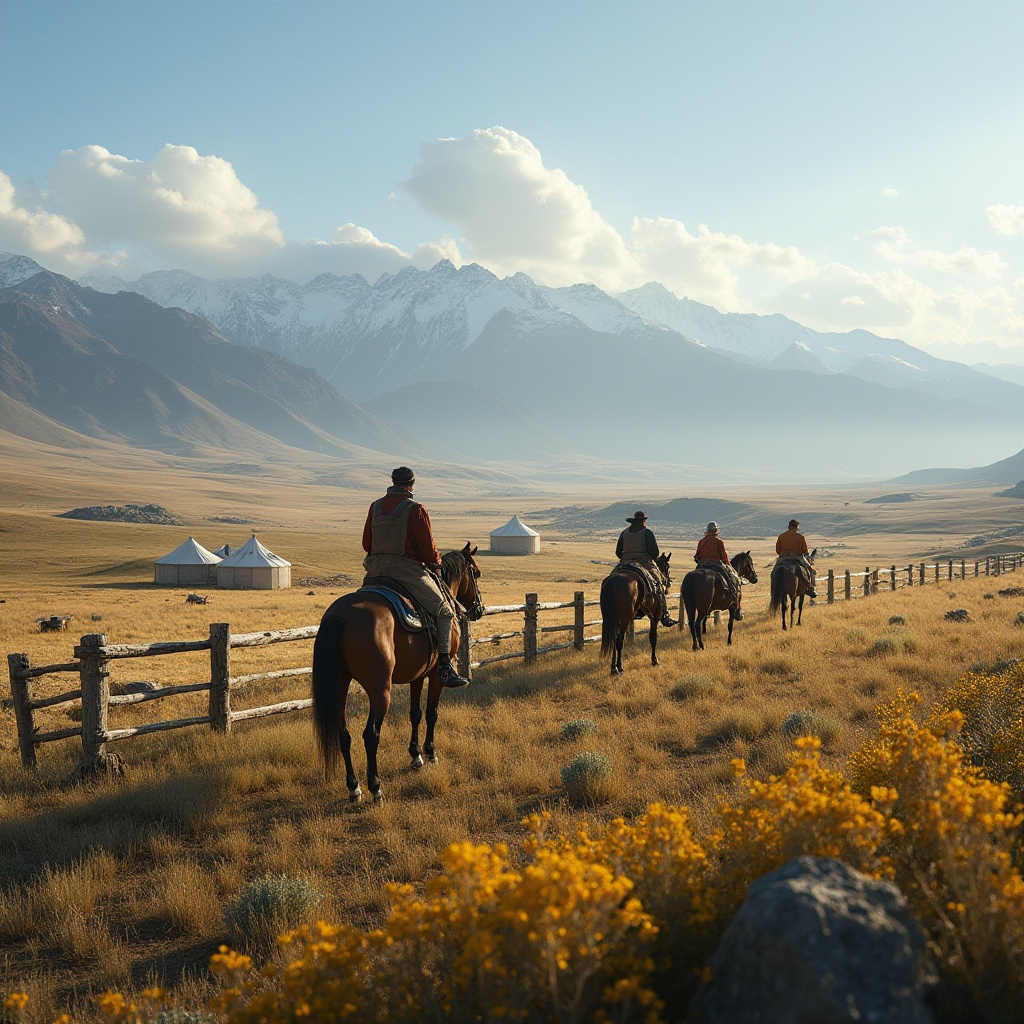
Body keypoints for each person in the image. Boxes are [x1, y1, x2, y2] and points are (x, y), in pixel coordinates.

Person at [361, 466, 469, 687]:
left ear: (392, 482)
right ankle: (446, 666)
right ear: (411, 484)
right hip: (407, 574)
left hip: (375, 572)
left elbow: (366, 544)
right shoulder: (416, 509)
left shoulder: (376, 507)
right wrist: (435, 562)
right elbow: (428, 551)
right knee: (445, 611)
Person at [615, 511, 676, 627]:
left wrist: (627, 557)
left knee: (612, 577)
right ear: (643, 521)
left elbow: (618, 552)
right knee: (659, 583)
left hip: (625, 562)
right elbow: (655, 553)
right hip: (644, 562)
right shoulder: (647, 532)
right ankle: (664, 614)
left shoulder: (624, 533)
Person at [694, 521, 744, 619]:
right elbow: (724, 557)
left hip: (702, 565)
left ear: (707, 531)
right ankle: (735, 601)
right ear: (716, 530)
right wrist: (729, 565)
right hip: (716, 565)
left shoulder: (701, 541)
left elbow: (697, 556)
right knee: (733, 580)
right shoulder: (719, 541)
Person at [775, 519, 818, 599]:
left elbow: (778, 550)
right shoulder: (800, 537)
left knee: (774, 571)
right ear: (796, 527)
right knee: (809, 570)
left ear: (789, 527)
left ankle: (773, 587)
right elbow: (805, 551)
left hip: (783, 557)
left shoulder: (781, 536)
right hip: (797, 557)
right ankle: (811, 588)